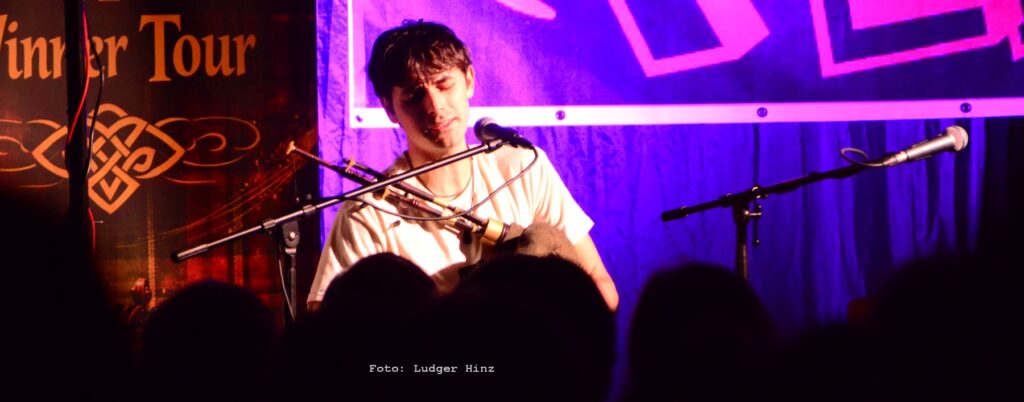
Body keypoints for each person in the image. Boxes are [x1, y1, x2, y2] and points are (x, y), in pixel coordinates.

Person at [307, 20, 618, 311]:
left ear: (469, 80)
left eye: (444, 84)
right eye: (414, 95)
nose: (434, 107)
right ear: (389, 108)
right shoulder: (369, 212)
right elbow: (328, 324)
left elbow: (602, 287)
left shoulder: (523, 167)